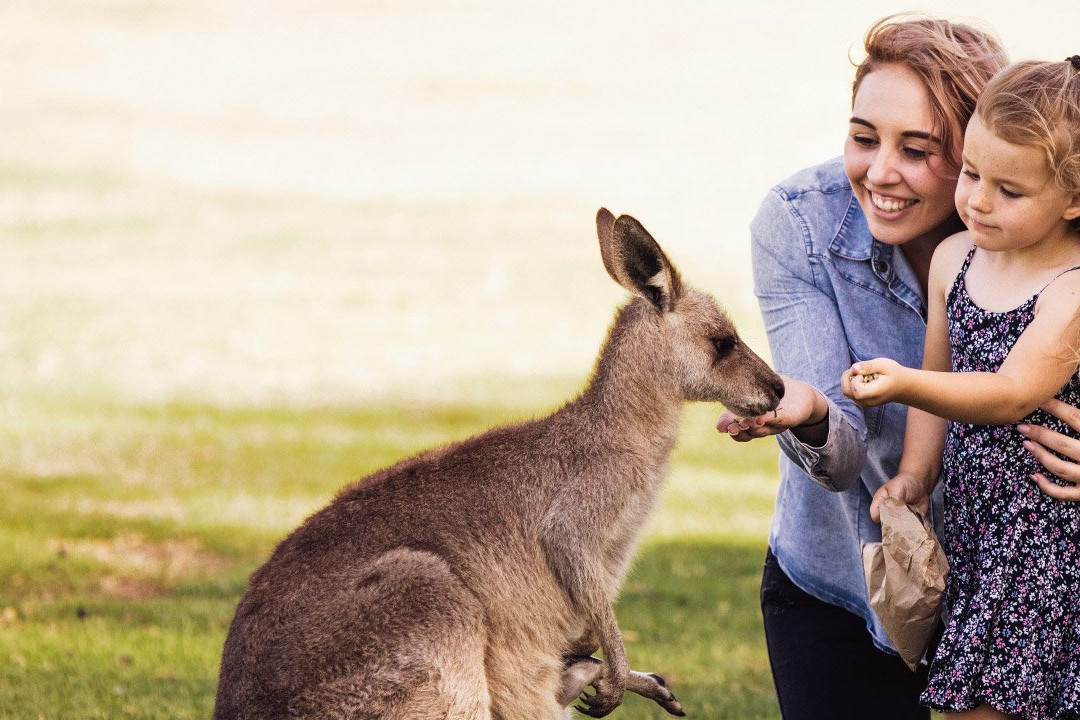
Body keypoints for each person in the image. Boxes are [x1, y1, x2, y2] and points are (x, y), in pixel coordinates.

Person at [713, 15, 1009, 719]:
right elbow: (839, 461)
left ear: (981, 153)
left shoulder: (1046, 238)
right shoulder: (800, 226)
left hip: (1014, 586)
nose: (879, 173)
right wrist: (811, 413)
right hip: (843, 572)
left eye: (918, 149)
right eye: (863, 138)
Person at [842, 57, 1080, 720]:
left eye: (1010, 190)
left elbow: (1009, 392)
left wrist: (900, 382)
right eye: (972, 174)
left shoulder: (1071, 288)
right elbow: (940, 382)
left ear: (1074, 198)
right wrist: (916, 474)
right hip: (979, 533)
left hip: (1050, 538)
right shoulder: (956, 259)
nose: (977, 200)